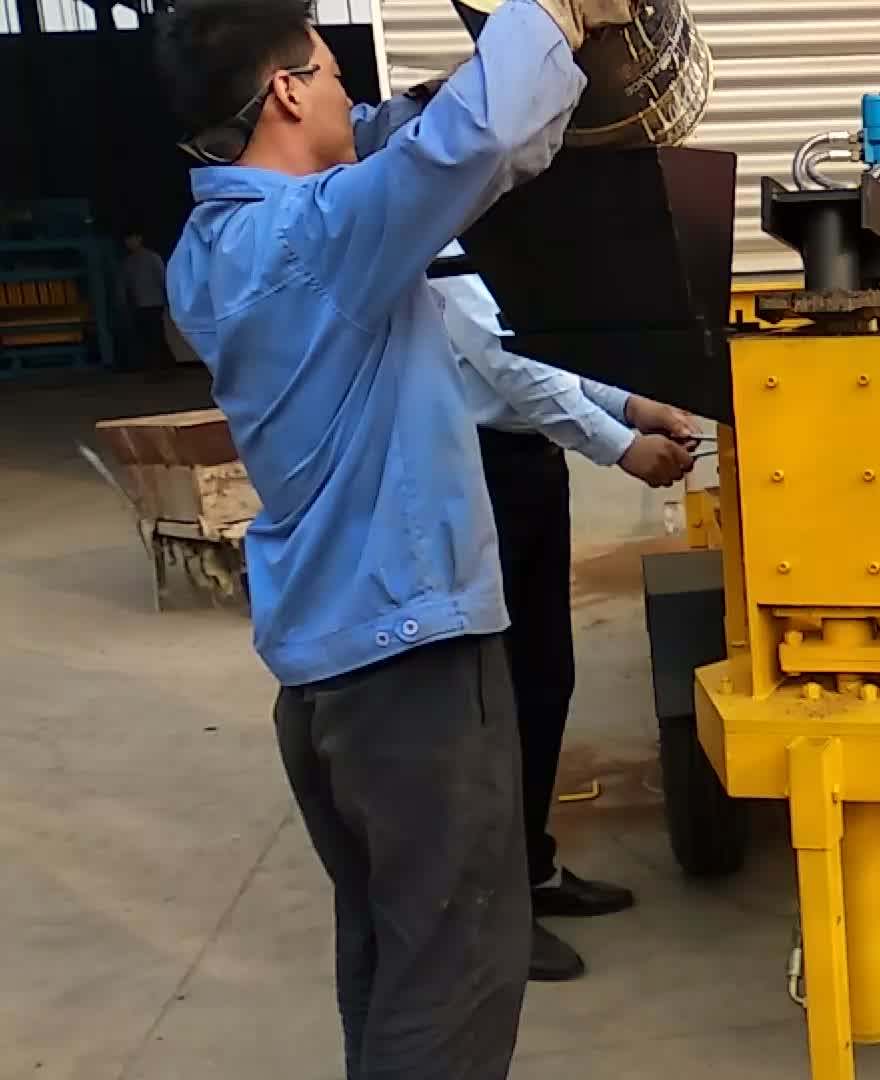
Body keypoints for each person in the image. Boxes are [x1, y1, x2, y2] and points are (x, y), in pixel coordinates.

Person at [154, 0, 638, 1075]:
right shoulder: (316, 239)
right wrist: (553, 14)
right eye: (332, 74)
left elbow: (408, 138)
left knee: (391, 957)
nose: (352, 96)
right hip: (410, 671)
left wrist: (458, 86)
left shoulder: (213, 248)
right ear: (286, 93)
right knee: (457, 976)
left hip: (329, 679)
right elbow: (473, 141)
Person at [433, 257, 697, 982]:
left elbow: (548, 351)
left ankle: (530, 869)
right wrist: (622, 445)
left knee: (544, 681)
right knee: (498, 695)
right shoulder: (448, 248)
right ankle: (492, 916)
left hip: (528, 467)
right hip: (481, 475)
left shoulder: (501, 241)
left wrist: (631, 406)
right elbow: (512, 363)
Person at [119, 232, 171, 369]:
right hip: (138, 304)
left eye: (131, 239)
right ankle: (156, 364)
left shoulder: (152, 257)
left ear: (139, 239)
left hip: (154, 302)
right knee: (146, 335)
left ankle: (163, 364)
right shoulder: (128, 262)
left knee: (156, 334)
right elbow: (126, 284)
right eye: (127, 240)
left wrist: (168, 299)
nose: (129, 243)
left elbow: (163, 279)